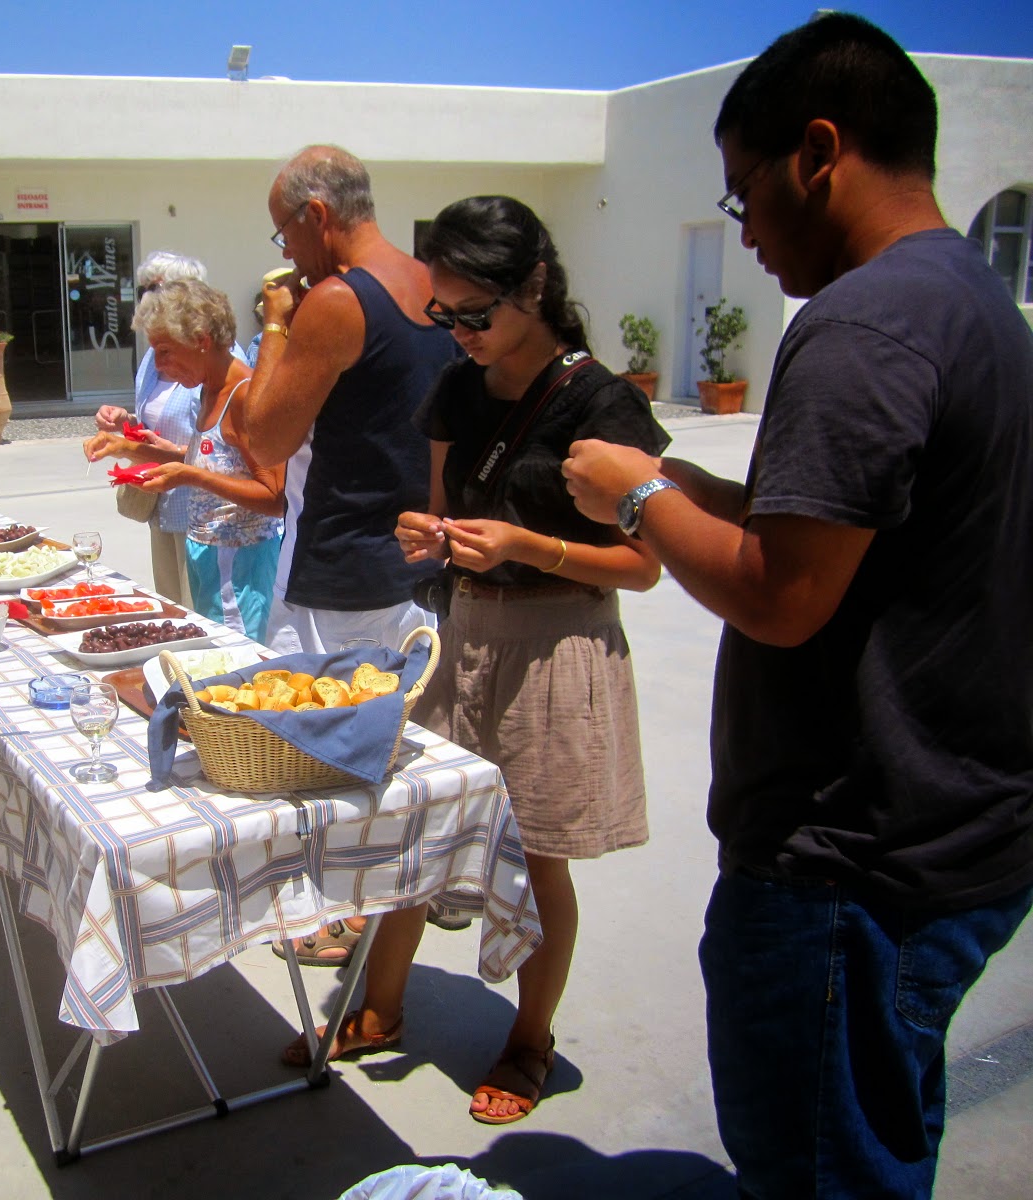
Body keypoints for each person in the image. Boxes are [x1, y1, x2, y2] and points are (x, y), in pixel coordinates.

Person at [562, 15, 1033, 1196]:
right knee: (877, 1137)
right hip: (949, 839)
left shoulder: (859, 324)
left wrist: (633, 502)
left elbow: (780, 594)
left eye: (742, 194)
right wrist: (680, 484)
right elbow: (838, 530)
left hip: (848, 870)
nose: (745, 233)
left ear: (817, 152)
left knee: (822, 1170)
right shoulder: (969, 299)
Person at [279, 197, 667, 1130]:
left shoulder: (603, 402)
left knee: (538, 856)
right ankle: (381, 1005)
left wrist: (529, 547)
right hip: (463, 633)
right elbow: (444, 518)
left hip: (559, 643)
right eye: (444, 315)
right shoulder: (458, 388)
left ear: (534, 286)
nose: (459, 333)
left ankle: (529, 1040)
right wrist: (431, 536)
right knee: (415, 827)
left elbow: (646, 563)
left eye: (475, 314)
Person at [234, 144, 459, 659]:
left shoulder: (336, 300)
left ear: (317, 214)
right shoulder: (434, 286)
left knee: (315, 712)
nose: (287, 253)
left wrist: (275, 323)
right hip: (418, 566)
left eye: (284, 233)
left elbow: (264, 441)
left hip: (340, 585)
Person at [85, 280, 284, 641]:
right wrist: (124, 447)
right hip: (209, 558)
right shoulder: (209, 388)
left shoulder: (244, 396)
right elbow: (206, 459)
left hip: (241, 567)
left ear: (201, 340)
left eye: (165, 352)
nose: (159, 366)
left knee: (237, 662)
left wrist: (190, 477)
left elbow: (274, 497)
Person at [93, 252, 248, 605]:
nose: (148, 297)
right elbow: (156, 422)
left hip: (209, 518)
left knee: (200, 613)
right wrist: (126, 426)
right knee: (172, 608)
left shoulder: (224, 366)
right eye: (145, 289)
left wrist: (178, 458)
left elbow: (237, 462)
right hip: (161, 503)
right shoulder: (156, 355)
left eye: (157, 288)